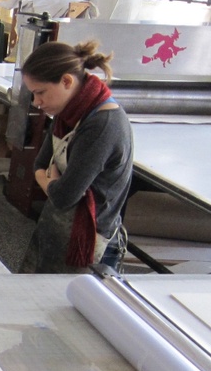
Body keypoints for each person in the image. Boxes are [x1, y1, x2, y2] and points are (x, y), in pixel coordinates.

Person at [18, 40, 133, 274]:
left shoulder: (102, 125)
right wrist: (53, 183)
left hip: (87, 237)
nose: (37, 102)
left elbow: (64, 196)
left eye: (40, 93)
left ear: (67, 81)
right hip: (56, 225)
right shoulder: (68, 111)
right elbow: (39, 164)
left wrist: (51, 184)